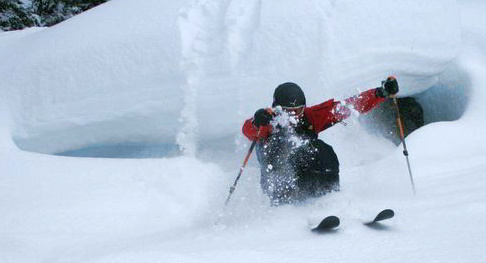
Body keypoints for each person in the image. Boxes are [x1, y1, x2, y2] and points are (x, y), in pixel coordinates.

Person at [242, 76, 399, 205]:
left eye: (299, 110)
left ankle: (330, 199)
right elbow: (248, 130)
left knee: (322, 150)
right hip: (279, 186)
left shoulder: (309, 117)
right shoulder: (267, 122)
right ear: (277, 108)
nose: (295, 115)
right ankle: (289, 209)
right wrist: (257, 122)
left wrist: (380, 93)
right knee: (286, 152)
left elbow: (347, 106)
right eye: (288, 112)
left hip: (306, 179)